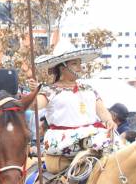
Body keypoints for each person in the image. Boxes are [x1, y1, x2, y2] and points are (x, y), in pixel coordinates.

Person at [30, 40, 116, 174]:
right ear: (62, 67)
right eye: (74, 64)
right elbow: (34, 105)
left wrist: (109, 121)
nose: (79, 67)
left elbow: (102, 112)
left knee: (117, 142)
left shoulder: (88, 89)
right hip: (63, 138)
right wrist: (34, 93)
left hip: (90, 134)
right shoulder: (50, 90)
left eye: (79, 63)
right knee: (100, 142)